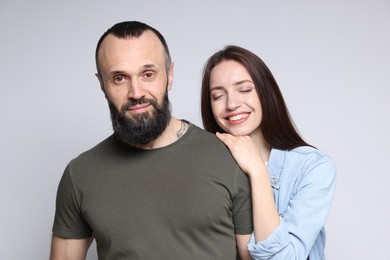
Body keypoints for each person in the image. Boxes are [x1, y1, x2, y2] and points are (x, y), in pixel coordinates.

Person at [50, 22, 253, 260]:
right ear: (102, 85)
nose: (136, 92)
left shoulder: (229, 157)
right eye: (119, 78)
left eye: (148, 74)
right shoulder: (80, 174)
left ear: (170, 75)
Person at [200, 45, 336, 260]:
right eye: (217, 96)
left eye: (244, 90)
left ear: (266, 92)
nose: (232, 104)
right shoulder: (204, 165)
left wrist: (257, 170)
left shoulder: (313, 167)